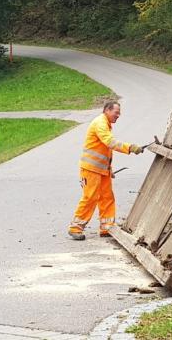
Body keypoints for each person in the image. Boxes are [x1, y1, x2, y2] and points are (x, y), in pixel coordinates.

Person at [68, 101, 143, 240]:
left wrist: (109, 170)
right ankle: (75, 228)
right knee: (90, 197)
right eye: (116, 112)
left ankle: (107, 227)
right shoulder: (100, 123)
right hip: (90, 169)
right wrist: (130, 147)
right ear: (107, 110)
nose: (118, 115)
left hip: (101, 170)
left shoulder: (105, 124)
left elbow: (104, 151)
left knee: (107, 197)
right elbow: (110, 142)